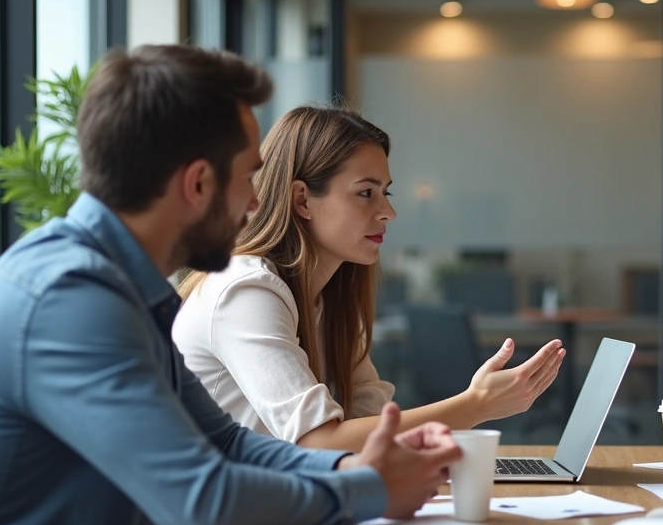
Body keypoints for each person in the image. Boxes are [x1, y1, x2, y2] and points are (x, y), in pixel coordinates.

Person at [0, 45, 460, 525]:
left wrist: (354, 466)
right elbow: (203, 505)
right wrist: (369, 488)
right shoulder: (69, 298)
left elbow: (225, 442)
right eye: (248, 176)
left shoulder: (121, 287)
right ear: (198, 183)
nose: (256, 201)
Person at [173, 106, 565, 452]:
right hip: (209, 513)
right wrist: (475, 405)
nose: (388, 212)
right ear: (303, 200)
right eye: (365, 193)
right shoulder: (246, 291)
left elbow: (370, 420)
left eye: (385, 193)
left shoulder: (327, 298)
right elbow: (319, 443)